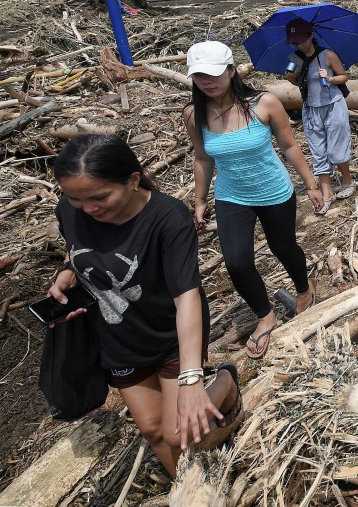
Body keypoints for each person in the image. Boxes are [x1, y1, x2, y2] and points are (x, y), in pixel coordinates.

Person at [48, 134, 240, 477]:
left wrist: (192, 379)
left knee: (178, 434)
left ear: (133, 180)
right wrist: (67, 271)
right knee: (153, 431)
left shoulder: (168, 219)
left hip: (171, 336)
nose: (88, 208)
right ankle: (182, 488)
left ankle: (224, 382)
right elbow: (75, 247)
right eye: (76, 198)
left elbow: (186, 297)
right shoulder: (69, 209)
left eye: (100, 197)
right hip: (117, 339)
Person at [184, 40, 321, 360]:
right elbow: (203, 158)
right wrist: (200, 199)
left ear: (232, 71)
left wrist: (312, 184)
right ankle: (265, 315)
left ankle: (304, 290)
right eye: (199, 75)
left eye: (213, 73)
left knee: (283, 247)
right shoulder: (195, 114)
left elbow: (289, 146)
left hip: (274, 191)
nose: (207, 81)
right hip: (233, 195)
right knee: (236, 261)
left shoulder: (265, 103)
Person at [284, 18, 355, 206]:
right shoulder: (294, 59)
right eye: (295, 42)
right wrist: (292, 77)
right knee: (318, 148)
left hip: (332, 104)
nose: (300, 44)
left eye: (302, 40)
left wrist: (330, 78)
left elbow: (344, 77)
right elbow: (295, 81)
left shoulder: (327, 55)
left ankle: (347, 181)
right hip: (311, 108)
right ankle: (327, 190)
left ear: (311, 36)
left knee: (336, 145)